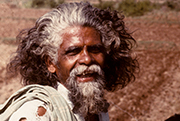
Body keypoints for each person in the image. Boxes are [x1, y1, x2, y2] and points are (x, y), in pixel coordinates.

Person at [0, 2, 138, 121]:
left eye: (95, 49)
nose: (87, 59)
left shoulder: (98, 109)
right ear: (51, 63)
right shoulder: (38, 114)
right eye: (73, 51)